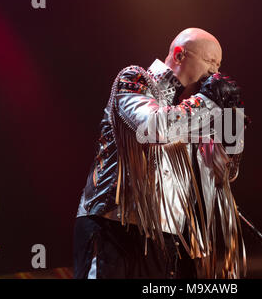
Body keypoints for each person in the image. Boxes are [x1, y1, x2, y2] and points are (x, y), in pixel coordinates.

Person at [73, 28, 247, 279]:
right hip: (114, 228)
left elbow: (223, 175)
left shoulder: (196, 111)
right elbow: (151, 127)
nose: (214, 73)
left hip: (168, 239)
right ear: (179, 55)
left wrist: (232, 130)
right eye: (210, 61)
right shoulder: (134, 79)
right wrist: (206, 102)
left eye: (219, 66)